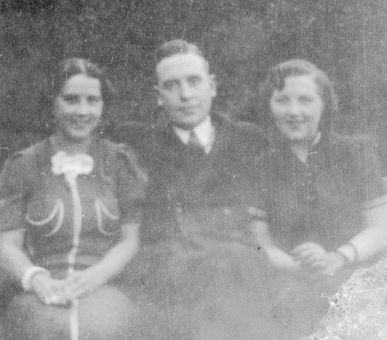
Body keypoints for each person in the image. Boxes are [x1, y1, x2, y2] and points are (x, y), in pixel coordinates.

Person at [115, 39, 282, 340]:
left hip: (239, 266)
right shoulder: (137, 143)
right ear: (158, 96)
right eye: (172, 85)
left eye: (194, 81)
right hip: (168, 270)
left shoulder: (248, 139)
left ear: (212, 85)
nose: (186, 95)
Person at [0, 58, 147, 340]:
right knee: (40, 327)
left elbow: (130, 239)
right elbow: (6, 245)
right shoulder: (23, 165)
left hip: (104, 288)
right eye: (71, 100)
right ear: (52, 104)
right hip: (40, 291)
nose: (82, 111)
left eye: (92, 100)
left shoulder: (119, 162)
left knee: (106, 325)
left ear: (103, 107)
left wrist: (97, 275)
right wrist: (37, 279)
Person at [250, 58, 387, 338]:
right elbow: (260, 243)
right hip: (293, 281)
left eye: (305, 100)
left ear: (324, 104)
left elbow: (378, 230)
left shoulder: (355, 152)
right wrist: (300, 266)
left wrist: (337, 257)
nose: (293, 111)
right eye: (282, 100)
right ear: (269, 106)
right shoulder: (262, 165)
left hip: (356, 271)